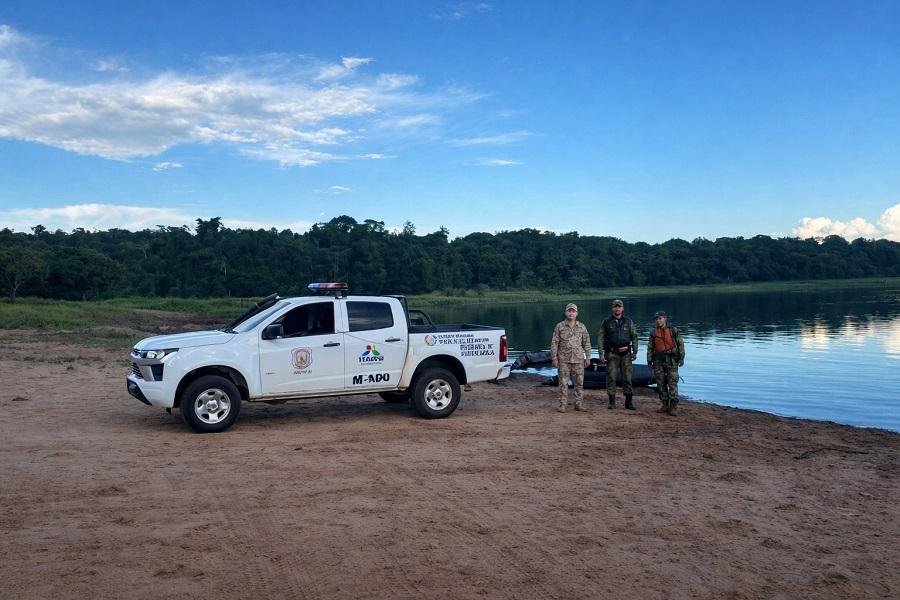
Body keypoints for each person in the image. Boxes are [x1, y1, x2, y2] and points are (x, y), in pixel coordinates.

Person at [550, 303, 592, 413]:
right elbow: (554, 343)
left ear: (577, 313)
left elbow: (586, 342)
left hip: (578, 359)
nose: (571, 313)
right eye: (569, 311)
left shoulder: (582, 327)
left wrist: (588, 357)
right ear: (565, 312)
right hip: (563, 360)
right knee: (563, 383)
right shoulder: (559, 326)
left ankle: (578, 404)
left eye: (573, 311)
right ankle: (562, 405)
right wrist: (554, 358)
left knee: (579, 383)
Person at [599, 299, 639, 410]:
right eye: (615, 307)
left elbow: (634, 336)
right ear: (612, 308)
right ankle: (612, 402)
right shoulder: (606, 322)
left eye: (619, 307)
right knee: (611, 377)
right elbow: (600, 337)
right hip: (612, 354)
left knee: (627, 377)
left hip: (626, 354)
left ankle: (629, 402)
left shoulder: (628, 321)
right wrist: (601, 353)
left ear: (622, 308)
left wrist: (635, 351)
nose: (617, 309)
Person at [647, 311, 685, 416]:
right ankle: (665, 404)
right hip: (658, 360)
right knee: (660, 382)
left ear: (665, 319)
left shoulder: (673, 330)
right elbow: (650, 347)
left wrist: (681, 358)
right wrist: (649, 360)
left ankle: (673, 406)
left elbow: (680, 344)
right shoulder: (653, 332)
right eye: (656, 319)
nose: (658, 321)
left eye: (660, 318)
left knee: (672, 382)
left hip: (671, 359)